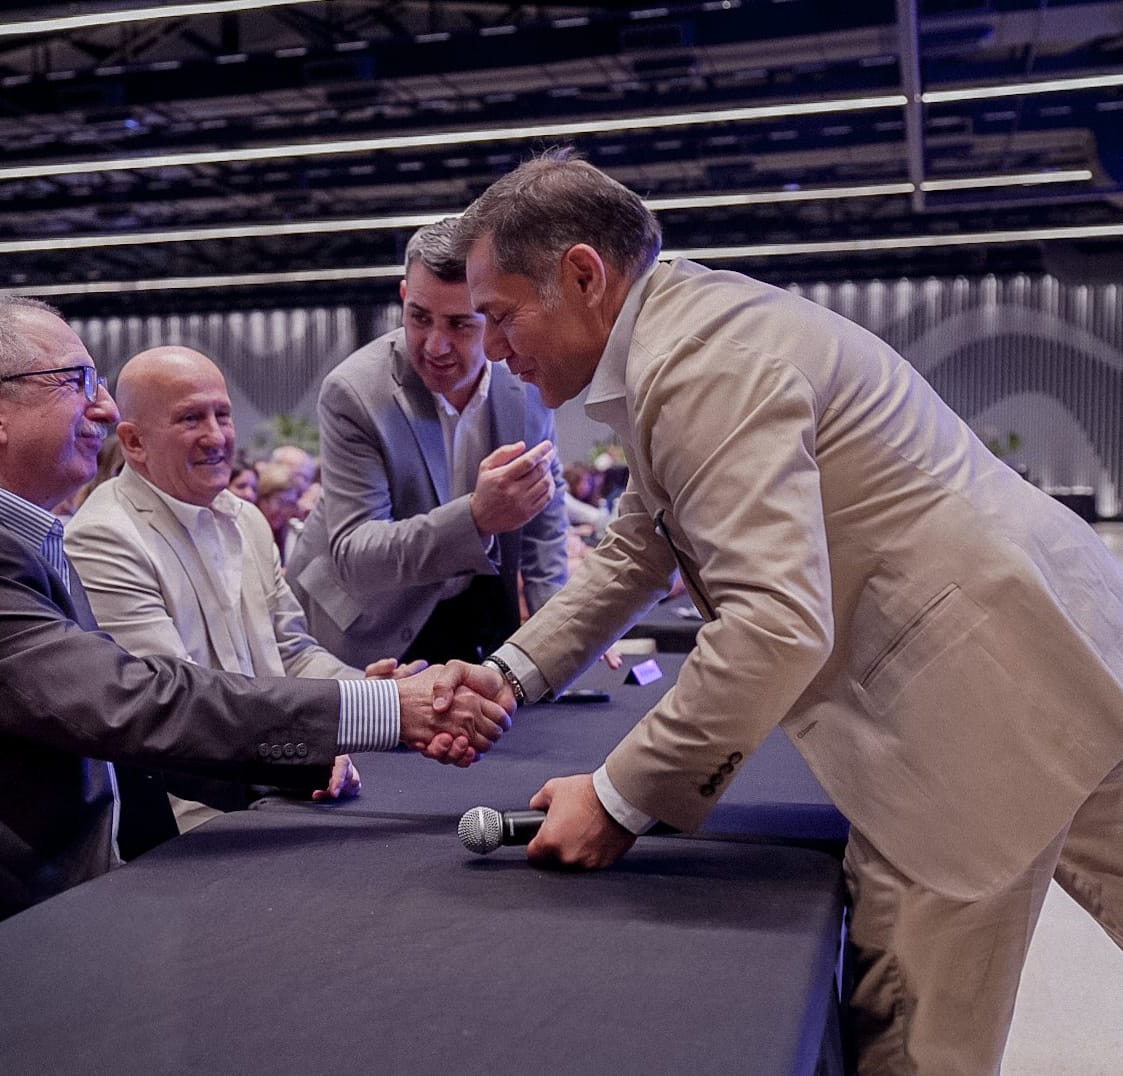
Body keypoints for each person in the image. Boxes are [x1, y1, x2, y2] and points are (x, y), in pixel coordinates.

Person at [447, 151, 1123, 1075]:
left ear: (580, 275)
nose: (491, 349)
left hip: (964, 713)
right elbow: (643, 545)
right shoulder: (687, 335)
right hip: (1052, 645)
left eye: (497, 315)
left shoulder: (699, 367)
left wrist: (616, 800)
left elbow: (772, 624)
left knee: (914, 1039)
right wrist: (504, 675)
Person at [0, 296, 508, 980]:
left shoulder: (4, 531)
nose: (101, 409)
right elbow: (139, 703)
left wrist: (322, 745)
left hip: (63, 875)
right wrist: (386, 713)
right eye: (76, 383)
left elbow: (117, 708)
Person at [66, 346, 421, 841]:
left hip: (281, 782)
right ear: (133, 441)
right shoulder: (105, 537)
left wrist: (375, 691)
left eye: (223, 414)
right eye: (191, 418)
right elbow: (174, 712)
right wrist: (311, 750)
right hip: (192, 819)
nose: (216, 436)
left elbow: (293, 654)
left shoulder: (247, 519)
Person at [287, 218, 569, 668]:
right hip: (366, 618)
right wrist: (476, 518)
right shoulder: (354, 392)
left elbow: (542, 521)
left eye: (459, 325)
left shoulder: (528, 380)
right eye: (419, 318)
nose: (435, 345)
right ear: (403, 298)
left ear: (494, 317)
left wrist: (562, 635)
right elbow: (353, 554)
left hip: (471, 604)